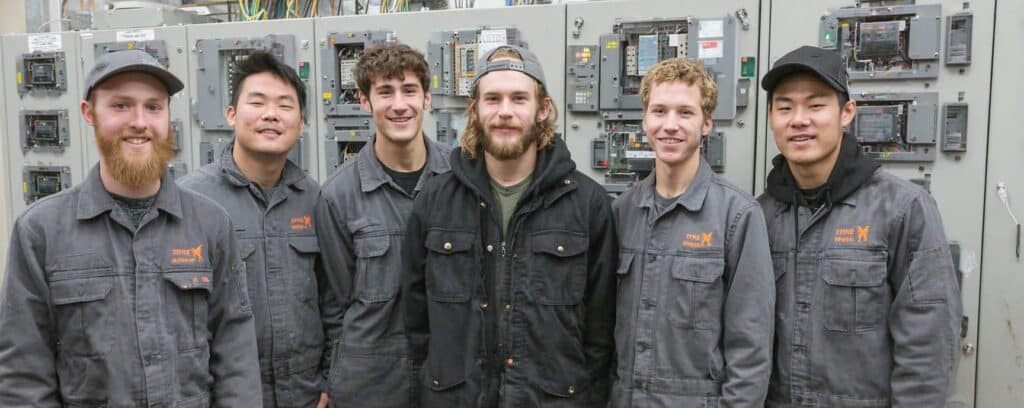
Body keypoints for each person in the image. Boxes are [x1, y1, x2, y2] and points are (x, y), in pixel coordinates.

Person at [0, 49, 261, 406]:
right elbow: (24, 378)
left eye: (153, 107)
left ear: (168, 116)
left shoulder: (211, 224)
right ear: (88, 113)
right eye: (121, 106)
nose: (139, 121)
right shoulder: (40, 232)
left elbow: (236, 361)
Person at [401, 45, 617, 407]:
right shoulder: (434, 201)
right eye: (492, 99)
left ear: (542, 109)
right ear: (474, 110)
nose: (505, 112)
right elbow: (416, 318)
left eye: (519, 98)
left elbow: (601, 330)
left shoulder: (588, 204)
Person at [759, 45, 962, 406]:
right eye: (785, 107)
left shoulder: (902, 209)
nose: (799, 119)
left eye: (816, 106)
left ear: (846, 112)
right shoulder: (759, 216)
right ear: (772, 117)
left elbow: (928, 346)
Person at [610, 57, 774, 406]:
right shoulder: (622, 212)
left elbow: (751, 351)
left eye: (685, 113)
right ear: (644, 120)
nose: (670, 125)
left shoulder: (738, 216)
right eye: (659, 111)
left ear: (707, 123)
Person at [178, 51, 325, 408]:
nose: (271, 114)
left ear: (301, 123)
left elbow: (334, 300)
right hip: (228, 396)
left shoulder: (314, 197)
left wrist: (328, 380)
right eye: (257, 102)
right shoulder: (191, 201)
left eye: (285, 105)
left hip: (304, 394)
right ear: (231, 114)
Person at [315, 43, 450, 407]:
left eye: (409, 90)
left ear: (427, 98)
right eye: (384, 92)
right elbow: (334, 305)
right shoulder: (337, 196)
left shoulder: (461, 180)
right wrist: (329, 378)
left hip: (447, 379)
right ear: (364, 101)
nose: (399, 104)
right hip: (369, 385)